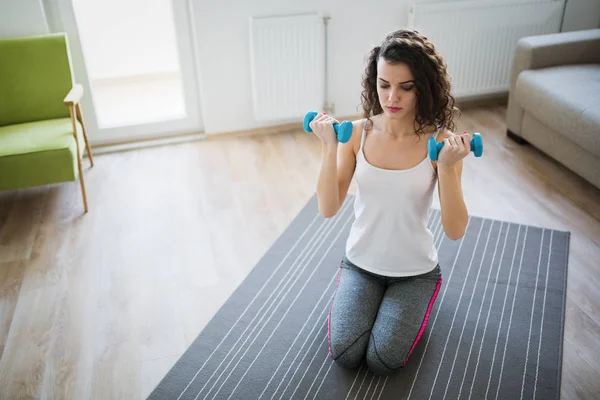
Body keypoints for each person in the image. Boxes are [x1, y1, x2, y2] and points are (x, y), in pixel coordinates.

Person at [309, 28, 471, 376]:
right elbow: (327, 207)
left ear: (422, 88)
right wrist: (328, 147)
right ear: (374, 82)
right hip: (361, 263)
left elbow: (455, 230)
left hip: (414, 272)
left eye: (405, 87)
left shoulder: (441, 143)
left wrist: (446, 167)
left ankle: (414, 301)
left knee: (382, 360)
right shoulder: (355, 134)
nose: (391, 96)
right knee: (346, 353)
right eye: (384, 84)